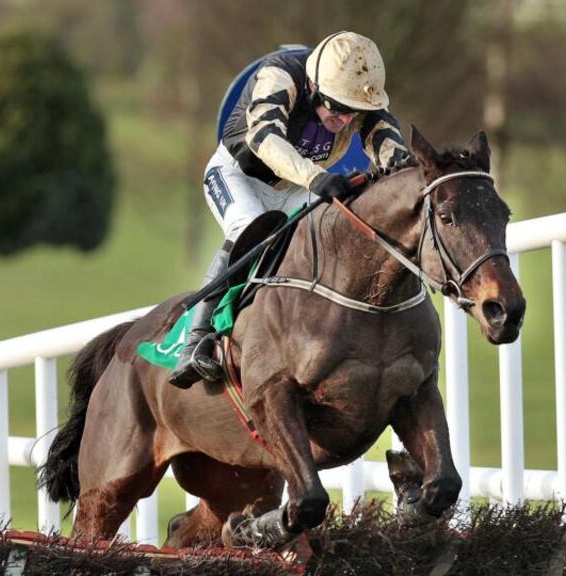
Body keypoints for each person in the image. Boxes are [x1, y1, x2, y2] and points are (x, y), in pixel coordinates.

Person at [168, 31, 411, 389]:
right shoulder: (279, 75)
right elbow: (264, 137)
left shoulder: (356, 94)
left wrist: (402, 172)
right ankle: (195, 340)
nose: (345, 120)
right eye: (338, 108)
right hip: (238, 174)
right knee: (249, 229)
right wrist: (317, 178)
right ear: (313, 84)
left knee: (332, 240)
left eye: (354, 113)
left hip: (295, 187)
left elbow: (389, 144)